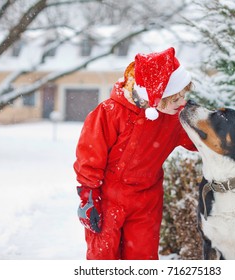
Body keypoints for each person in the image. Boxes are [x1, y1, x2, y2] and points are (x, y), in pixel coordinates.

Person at [73, 47, 197, 260]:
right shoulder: (110, 112)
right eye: (176, 98)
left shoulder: (175, 119)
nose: (182, 103)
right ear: (157, 96)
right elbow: (90, 155)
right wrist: (89, 195)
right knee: (103, 258)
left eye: (184, 96)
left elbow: (206, 137)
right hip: (107, 199)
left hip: (146, 201)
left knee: (142, 258)